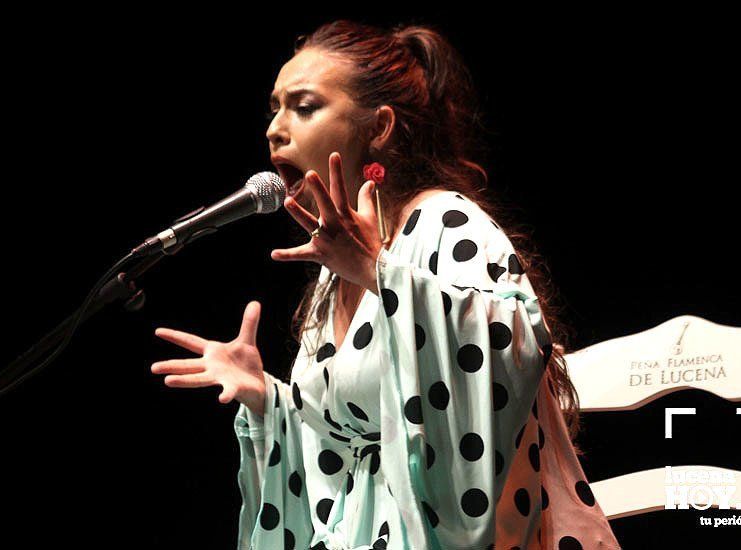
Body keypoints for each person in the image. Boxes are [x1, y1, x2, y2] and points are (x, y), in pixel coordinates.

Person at [150, 20, 620, 550]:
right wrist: (271, 402)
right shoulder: (333, 273)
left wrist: (383, 274)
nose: (275, 129)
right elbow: (348, 445)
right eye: (274, 108)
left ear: (379, 127)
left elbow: (504, 350)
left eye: (303, 107)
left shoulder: (447, 224)